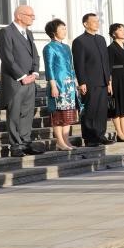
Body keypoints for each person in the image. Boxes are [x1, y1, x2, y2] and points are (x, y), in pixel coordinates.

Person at [0, 4, 40, 157]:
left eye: (33, 15)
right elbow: (7, 57)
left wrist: (34, 73)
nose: (33, 18)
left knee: (27, 114)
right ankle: (15, 146)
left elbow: (35, 55)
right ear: (19, 16)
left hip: (30, 81)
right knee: (14, 115)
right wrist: (22, 76)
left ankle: (26, 143)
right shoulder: (6, 32)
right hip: (15, 82)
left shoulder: (29, 33)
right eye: (30, 15)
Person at [72, 12, 112, 147]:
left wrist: (109, 80)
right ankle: (89, 138)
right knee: (90, 110)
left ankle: (100, 135)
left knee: (101, 111)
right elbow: (79, 63)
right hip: (89, 82)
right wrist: (82, 82)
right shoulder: (79, 41)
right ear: (85, 24)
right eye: (94, 21)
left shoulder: (101, 39)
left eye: (97, 21)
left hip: (103, 80)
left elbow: (106, 61)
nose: (97, 23)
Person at [42, 19, 79, 151]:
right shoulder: (49, 48)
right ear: (53, 32)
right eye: (62, 28)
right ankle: (59, 141)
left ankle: (66, 140)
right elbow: (49, 67)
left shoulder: (66, 47)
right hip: (58, 85)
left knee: (68, 114)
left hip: (69, 85)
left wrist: (75, 82)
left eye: (65, 28)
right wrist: (53, 85)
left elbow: (71, 66)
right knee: (58, 115)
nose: (65, 30)